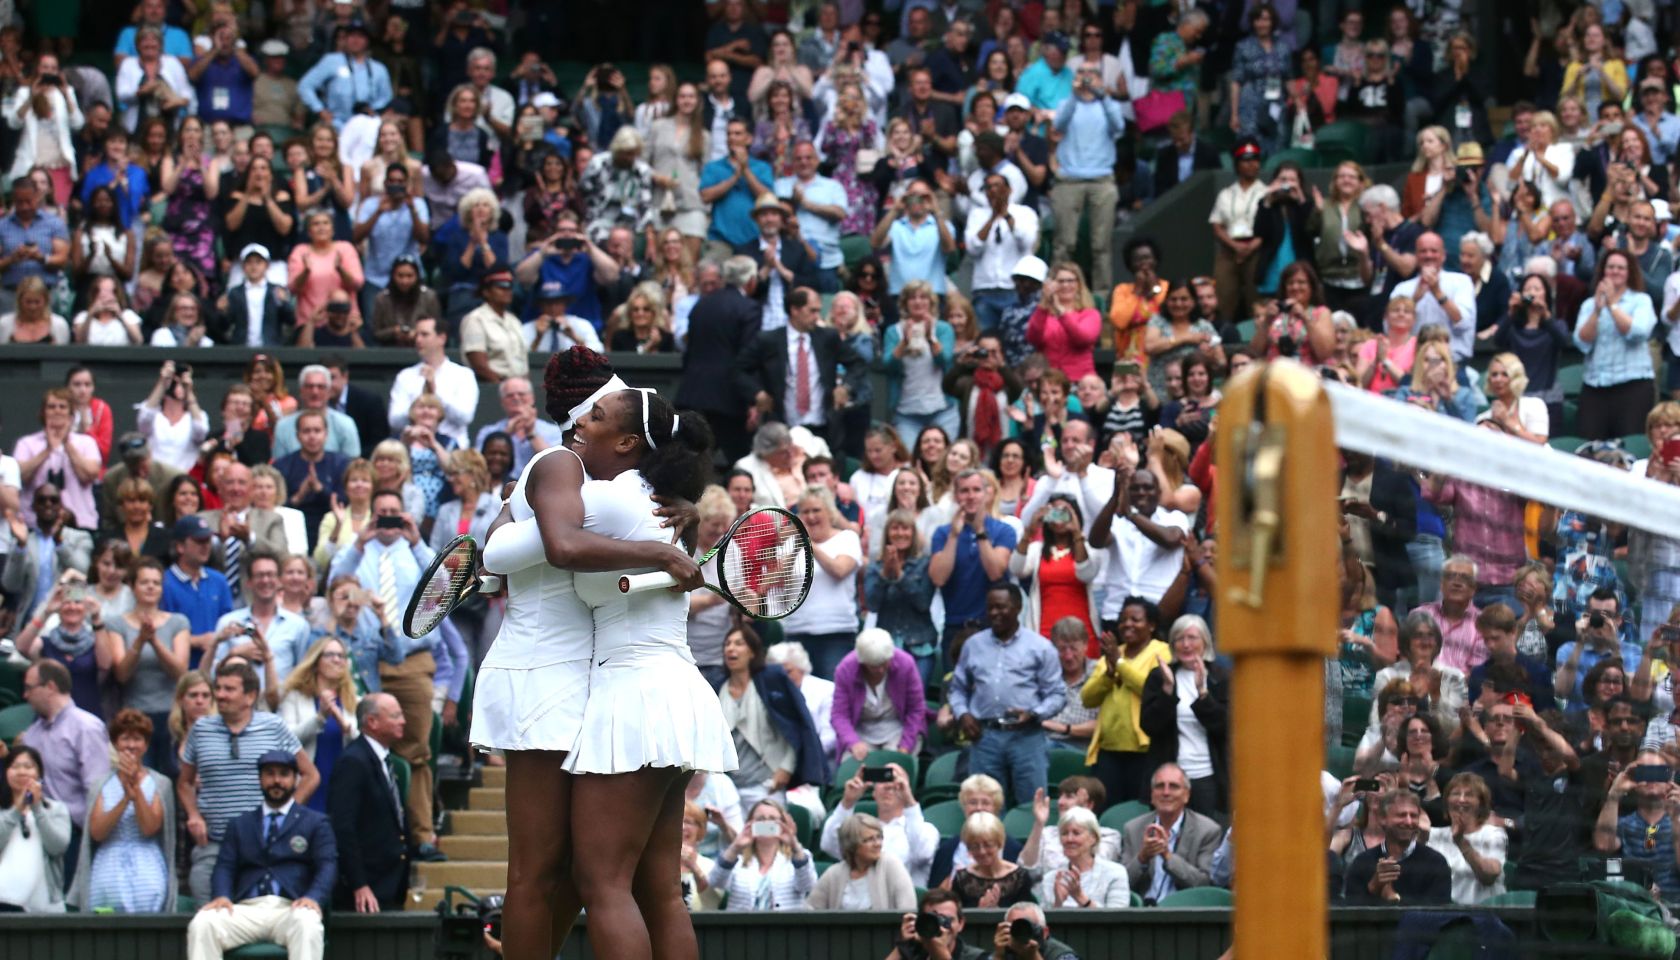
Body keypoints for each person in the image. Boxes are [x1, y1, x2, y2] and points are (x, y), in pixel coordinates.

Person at [325, 488, 445, 863]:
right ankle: (379, 837)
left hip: (411, 660)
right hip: (366, 659)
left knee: (417, 751)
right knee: (364, 752)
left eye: (395, 513)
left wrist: (417, 540)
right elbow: (335, 582)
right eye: (382, 514)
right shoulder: (359, 553)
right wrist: (359, 541)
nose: (389, 520)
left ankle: (422, 835)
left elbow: (445, 584)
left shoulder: (414, 551)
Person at [178, 660, 319, 901]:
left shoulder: (273, 726)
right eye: (218, 688)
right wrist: (193, 815)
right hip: (213, 844)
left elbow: (310, 775)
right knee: (210, 917)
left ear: (250, 696)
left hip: (263, 847)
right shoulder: (201, 729)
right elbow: (184, 783)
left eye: (229, 689)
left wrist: (286, 816)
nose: (220, 695)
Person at [185, 749, 336, 960]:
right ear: (260, 779)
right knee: (203, 923)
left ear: (295, 779)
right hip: (246, 908)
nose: (277, 781)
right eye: (270, 774)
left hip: (291, 907)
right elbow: (224, 866)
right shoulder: (240, 824)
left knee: (307, 923)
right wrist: (221, 895)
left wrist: (313, 897)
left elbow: (327, 865)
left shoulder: (315, 823)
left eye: (284, 774)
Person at [947, 583, 1064, 808]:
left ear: (1018, 607)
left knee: (1031, 807)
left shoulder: (1040, 647)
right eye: (990, 608)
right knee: (984, 806)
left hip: (1027, 737)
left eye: (1001, 607)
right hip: (985, 736)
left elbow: (1057, 694)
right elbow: (957, 689)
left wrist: (1033, 714)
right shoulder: (973, 645)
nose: (994, 614)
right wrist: (963, 714)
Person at [70, 709, 174, 913]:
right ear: (116, 743)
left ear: (146, 744)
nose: (131, 745)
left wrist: (136, 789)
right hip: (108, 867)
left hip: (147, 866)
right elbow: (97, 832)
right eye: (125, 738)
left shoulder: (161, 783)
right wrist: (125, 798)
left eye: (137, 739)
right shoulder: (101, 784)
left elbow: (150, 828)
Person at [18, 659, 108, 892]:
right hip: (38, 834)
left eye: (29, 687)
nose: (24, 695)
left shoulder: (86, 727)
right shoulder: (31, 735)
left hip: (75, 838)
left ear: (50, 687)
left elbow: (97, 791)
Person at [1139, 615, 1230, 818]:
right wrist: (1167, 691)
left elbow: (1227, 727)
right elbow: (1149, 726)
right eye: (1179, 639)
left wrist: (1203, 695)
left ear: (1205, 642)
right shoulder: (1159, 676)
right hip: (1169, 777)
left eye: (1192, 638)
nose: (1186, 644)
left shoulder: (1222, 677)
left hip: (1207, 776)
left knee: (1207, 838)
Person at [326, 693, 408, 914]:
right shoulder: (353, 761)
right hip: (366, 892)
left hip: (390, 884)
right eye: (396, 715)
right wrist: (359, 884)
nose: (403, 721)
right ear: (372, 722)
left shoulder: (386, 760)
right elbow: (343, 827)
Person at [106, 559, 192, 770]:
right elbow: (122, 673)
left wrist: (154, 641)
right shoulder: (116, 624)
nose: (151, 587)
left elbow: (181, 672)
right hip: (134, 716)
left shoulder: (178, 622)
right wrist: (139, 640)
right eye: (145, 582)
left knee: (173, 774)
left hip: (171, 715)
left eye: (156, 582)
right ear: (133, 586)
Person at [1050, 58, 1124, 292]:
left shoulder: (1108, 105)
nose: (1086, 78)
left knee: (1101, 245)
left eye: (1092, 73)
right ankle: (1057, 293)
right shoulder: (1066, 103)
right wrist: (1074, 96)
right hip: (1069, 179)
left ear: (1101, 78)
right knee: (1065, 243)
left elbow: (1119, 126)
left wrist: (1102, 95)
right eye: (1081, 73)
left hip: (1102, 180)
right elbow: (1059, 125)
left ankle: (1102, 295)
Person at [1575, 249, 1658, 440]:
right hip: (1595, 385)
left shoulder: (1641, 301)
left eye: (1621, 268)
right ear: (1603, 271)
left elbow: (1638, 332)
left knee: (1629, 447)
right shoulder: (1589, 305)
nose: (1615, 271)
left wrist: (1612, 304)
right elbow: (1581, 341)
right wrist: (1597, 310)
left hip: (1633, 386)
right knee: (1589, 448)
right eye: (1611, 267)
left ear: (1629, 273)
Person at [1119, 762, 1223, 903]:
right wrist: (1142, 858)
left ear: (1186, 795)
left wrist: (1167, 856)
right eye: (1160, 786)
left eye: (1174, 787)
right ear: (1152, 795)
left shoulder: (1207, 831)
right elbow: (1120, 883)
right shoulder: (1133, 828)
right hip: (1143, 912)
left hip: (1185, 912)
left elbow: (1204, 884)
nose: (1166, 792)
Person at [832, 628, 927, 763]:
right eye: (874, 666)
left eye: (884, 663)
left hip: (898, 728)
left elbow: (916, 710)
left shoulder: (906, 664)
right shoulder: (845, 669)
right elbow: (839, 715)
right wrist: (853, 742)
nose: (881, 670)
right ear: (863, 662)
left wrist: (905, 746)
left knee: (896, 765)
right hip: (861, 731)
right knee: (852, 766)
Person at [708, 798, 816, 912]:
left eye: (773, 819)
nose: (766, 823)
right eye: (760, 819)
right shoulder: (736, 861)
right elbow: (716, 882)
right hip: (742, 928)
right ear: (750, 824)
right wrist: (735, 847)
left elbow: (808, 885)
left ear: (783, 824)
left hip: (785, 928)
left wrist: (794, 845)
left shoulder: (798, 858)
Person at [386, 317, 479, 449]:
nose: (418, 340)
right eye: (416, 335)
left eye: (424, 334)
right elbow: (394, 420)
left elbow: (465, 417)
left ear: (441, 338)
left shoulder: (463, 375)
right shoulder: (405, 376)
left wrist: (436, 392)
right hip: (413, 449)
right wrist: (418, 408)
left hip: (453, 449)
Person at [0, 746, 72, 912]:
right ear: (6, 772)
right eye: (15, 766)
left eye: (28, 766)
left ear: (39, 773)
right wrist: (18, 809)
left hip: (45, 905)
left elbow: (58, 847)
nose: (22, 772)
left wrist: (38, 808)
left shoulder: (56, 809)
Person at [1423, 772, 1507, 905]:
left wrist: (1461, 842)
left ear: (1481, 804)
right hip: (1442, 915)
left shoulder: (1492, 834)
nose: (1461, 800)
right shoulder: (1434, 835)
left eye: (1469, 795)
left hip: (1482, 914)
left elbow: (1489, 876)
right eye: (1456, 794)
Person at [809, 811, 918, 911]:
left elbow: (908, 910)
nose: (877, 844)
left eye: (879, 837)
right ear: (852, 844)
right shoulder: (834, 873)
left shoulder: (892, 865)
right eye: (870, 839)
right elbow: (810, 910)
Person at [1032, 806, 1130, 909]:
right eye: (1064, 833)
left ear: (1093, 838)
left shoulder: (1115, 873)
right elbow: (1045, 922)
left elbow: (1116, 919)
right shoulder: (1051, 878)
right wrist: (1058, 903)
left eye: (1076, 833)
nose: (1069, 839)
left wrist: (1081, 898)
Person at [943, 810, 1032, 908]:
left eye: (988, 845)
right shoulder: (962, 879)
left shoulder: (1019, 877)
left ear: (999, 844)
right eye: (975, 846)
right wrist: (980, 911)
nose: (982, 851)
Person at [886, 888, 988, 960]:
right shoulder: (914, 954)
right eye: (934, 920)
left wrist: (941, 954)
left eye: (947, 920)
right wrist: (902, 947)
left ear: (960, 924)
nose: (941, 927)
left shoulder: (977, 957)